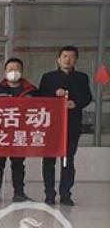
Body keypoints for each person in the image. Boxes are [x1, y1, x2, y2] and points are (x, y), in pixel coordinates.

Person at [39, 45, 92, 206]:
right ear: (58, 59)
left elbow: (87, 97)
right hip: (51, 125)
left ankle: (65, 194)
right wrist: (54, 94)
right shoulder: (48, 77)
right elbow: (40, 97)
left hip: (72, 124)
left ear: (76, 60)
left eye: (72, 57)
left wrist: (75, 103)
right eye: (65, 56)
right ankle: (49, 194)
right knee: (49, 161)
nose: (68, 60)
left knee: (68, 160)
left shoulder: (82, 78)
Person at [0, 57, 38, 203]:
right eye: (10, 69)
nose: (13, 72)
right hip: (0, 133)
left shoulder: (31, 90)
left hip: (20, 133)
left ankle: (19, 193)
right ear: (5, 71)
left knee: (18, 164)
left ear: (22, 71)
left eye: (16, 69)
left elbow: (40, 110)